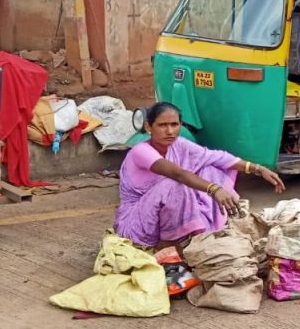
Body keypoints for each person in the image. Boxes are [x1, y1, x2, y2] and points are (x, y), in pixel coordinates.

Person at [115, 103, 286, 248]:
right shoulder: (141, 151)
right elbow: (178, 174)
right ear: (148, 127)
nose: (169, 131)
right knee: (175, 185)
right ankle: (170, 245)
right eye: (162, 125)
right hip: (136, 223)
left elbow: (216, 157)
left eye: (174, 125)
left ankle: (201, 229)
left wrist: (257, 168)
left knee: (210, 168)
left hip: (162, 216)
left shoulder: (179, 144)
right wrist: (214, 189)